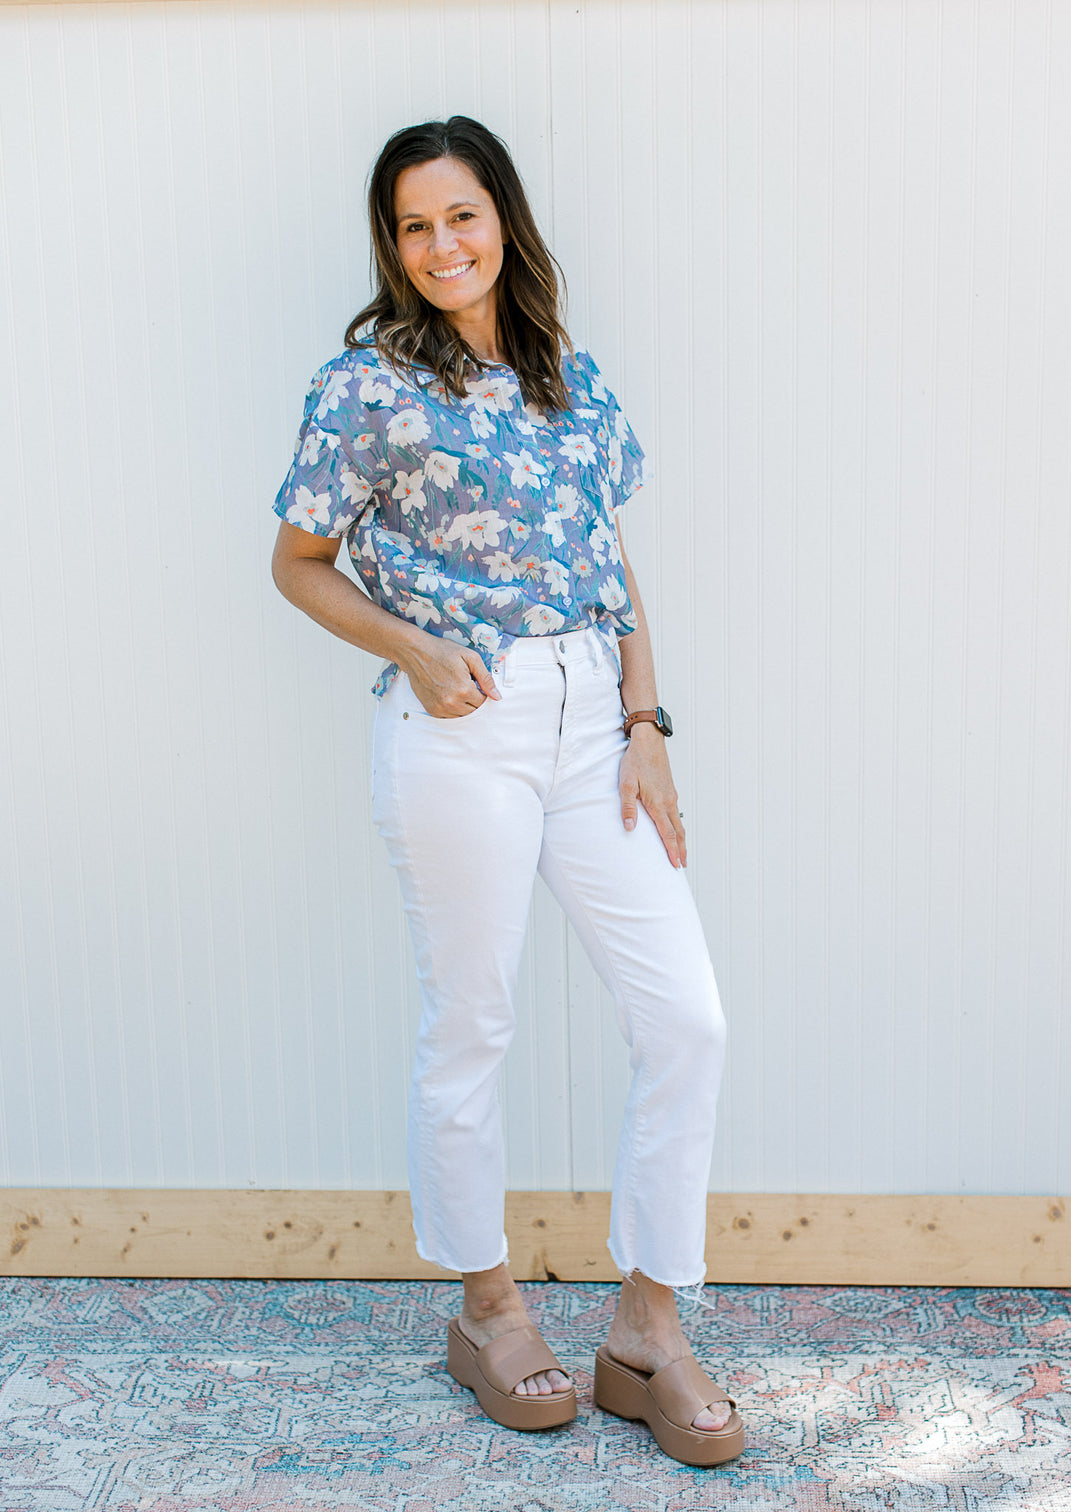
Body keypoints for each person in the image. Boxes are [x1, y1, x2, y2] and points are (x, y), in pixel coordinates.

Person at [270, 115, 743, 1468]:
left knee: (687, 1020)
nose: (441, 247)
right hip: (459, 733)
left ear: (504, 219)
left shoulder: (572, 379)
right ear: (393, 242)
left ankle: (647, 1328)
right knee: (472, 1022)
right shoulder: (363, 387)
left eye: (462, 216)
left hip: (595, 723)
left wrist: (648, 723)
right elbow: (298, 562)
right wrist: (412, 647)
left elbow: (615, 559)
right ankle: (486, 1311)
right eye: (414, 226)